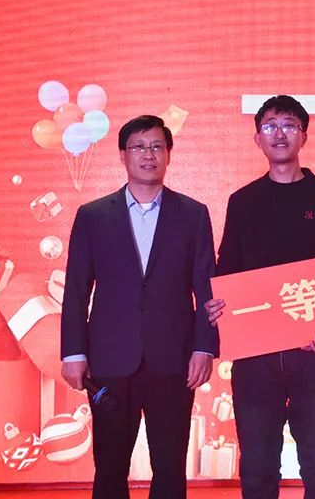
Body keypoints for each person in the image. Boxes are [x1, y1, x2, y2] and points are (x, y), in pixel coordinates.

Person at [205, 95, 315, 499]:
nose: (280, 133)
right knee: (258, 461)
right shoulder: (243, 201)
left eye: (289, 125)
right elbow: (228, 267)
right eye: (270, 125)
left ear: (303, 136)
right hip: (255, 354)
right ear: (257, 138)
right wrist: (218, 301)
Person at [60, 115, 219, 499]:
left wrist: (204, 347)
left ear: (169, 154)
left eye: (157, 147)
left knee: (170, 466)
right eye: (139, 147)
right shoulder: (93, 216)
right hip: (110, 361)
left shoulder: (193, 214)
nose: (149, 155)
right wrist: (73, 353)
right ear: (122, 155)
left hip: (174, 361)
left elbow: (207, 288)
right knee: (110, 467)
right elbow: (77, 289)